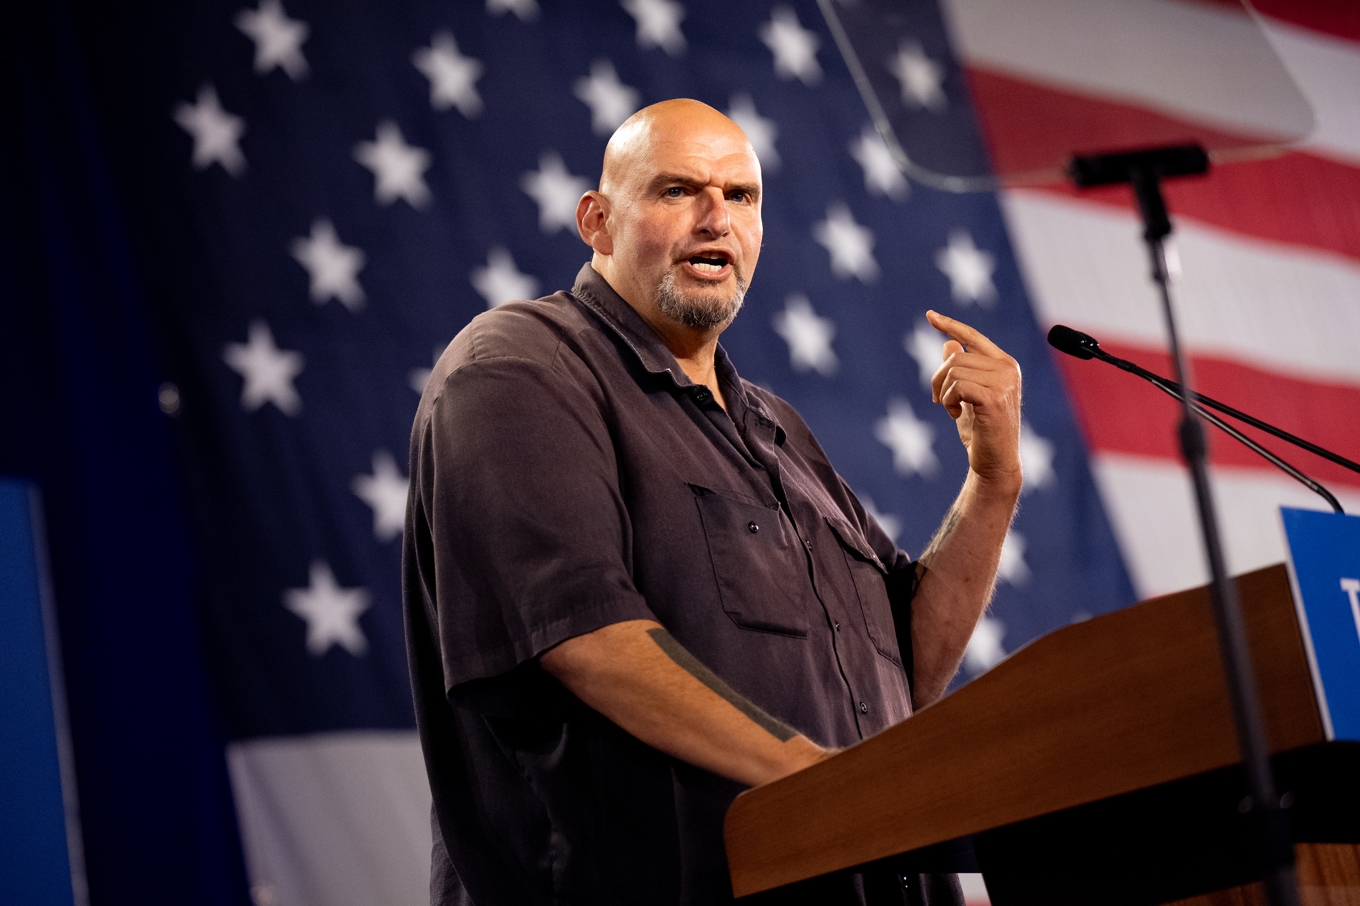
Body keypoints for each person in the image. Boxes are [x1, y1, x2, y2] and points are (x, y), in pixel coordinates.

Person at [403, 99, 1022, 906]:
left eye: (741, 197)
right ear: (597, 220)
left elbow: (905, 673)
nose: (715, 220)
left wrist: (993, 482)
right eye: (676, 191)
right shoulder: (517, 366)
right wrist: (827, 782)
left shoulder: (777, 428)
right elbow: (584, 637)